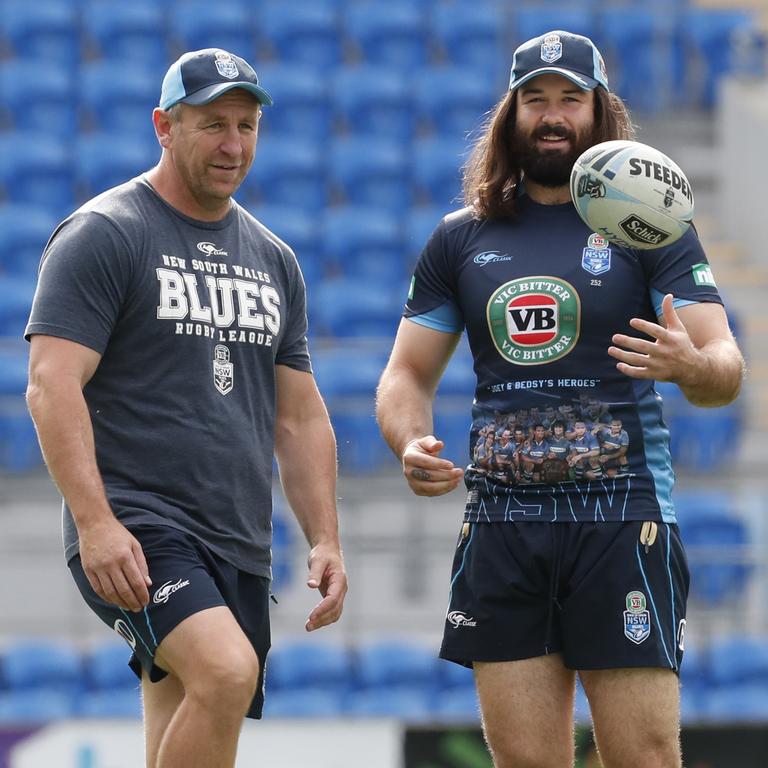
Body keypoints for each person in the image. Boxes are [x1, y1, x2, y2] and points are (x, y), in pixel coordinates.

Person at [376, 30, 744, 768]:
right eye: (535, 99)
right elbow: (404, 375)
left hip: (623, 519)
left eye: (570, 99)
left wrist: (689, 365)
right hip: (503, 526)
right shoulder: (460, 237)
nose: (552, 116)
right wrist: (409, 439)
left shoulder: (649, 224)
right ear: (510, 115)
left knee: (644, 757)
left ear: (599, 111)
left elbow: (725, 365)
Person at [25, 48, 347, 768]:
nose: (234, 145)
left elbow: (299, 416)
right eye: (213, 125)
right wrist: (96, 523)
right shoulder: (106, 232)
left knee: (190, 716)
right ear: (164, 127)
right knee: (228, 672)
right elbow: (50, 384)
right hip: (138, 529)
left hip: (236, 537)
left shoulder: (275, 259)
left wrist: (324, 537)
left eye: (247, 125)